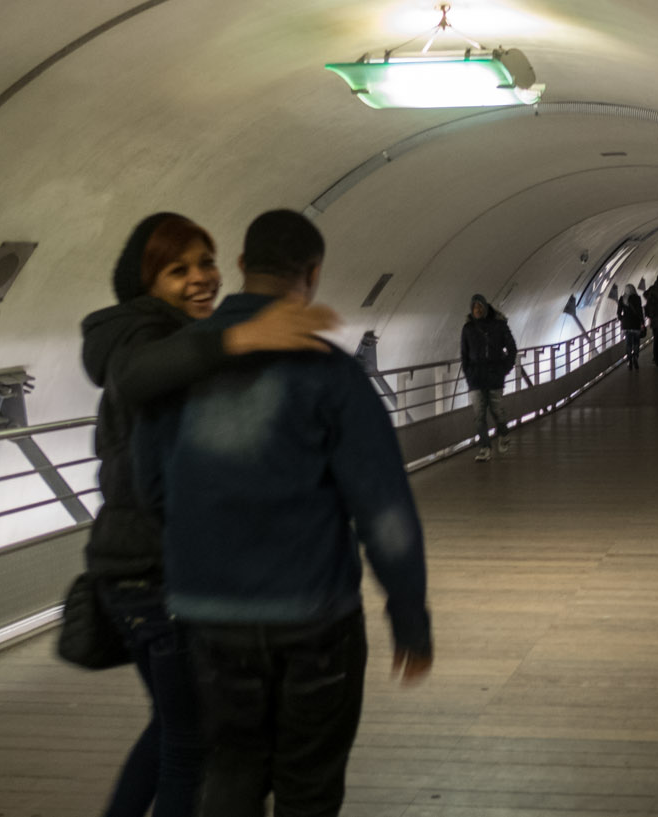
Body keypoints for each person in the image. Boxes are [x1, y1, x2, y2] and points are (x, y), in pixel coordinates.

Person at [133, 210, 432, 817]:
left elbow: (151, 490)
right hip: (315, 617)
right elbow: (383, 509)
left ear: (241, 265)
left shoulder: (177, 365)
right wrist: (408, 612)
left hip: (208, 616)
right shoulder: (331, 372)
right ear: (313, 274)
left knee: (229, 774)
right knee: (310, 785)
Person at [80, 212, 338, 817]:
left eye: (207, 262)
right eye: (178, 270)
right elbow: (139, 381)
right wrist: (240, 339)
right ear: (145, 283)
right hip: (156, 574)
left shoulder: (173, 341)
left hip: (142, 568)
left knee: (172, 727)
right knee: (192, 742)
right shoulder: (140, 341)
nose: (201, 279)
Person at [461, 293, 519, 461]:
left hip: (494, 377)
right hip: (476, 379)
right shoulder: (468, 329)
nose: (477, 310)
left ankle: (503, 434)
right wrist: (468, 374)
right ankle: (485, 447)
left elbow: (512, 349)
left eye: (480, 306)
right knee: (479, 415)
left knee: (496, 411)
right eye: (474, 307)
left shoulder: (499, 326)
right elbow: (464, 354)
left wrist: (504, 369)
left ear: (485, 307)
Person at [617, 284, 645, 371]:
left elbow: (618, 313)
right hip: (636, 324)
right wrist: (642, 322)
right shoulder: (637, 298)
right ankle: (635, 357)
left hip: (626, 325)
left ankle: (629, 361)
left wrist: (622, 319)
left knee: (628, 343)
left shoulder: (622, 299)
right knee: (636, 342)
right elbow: (640, 311)